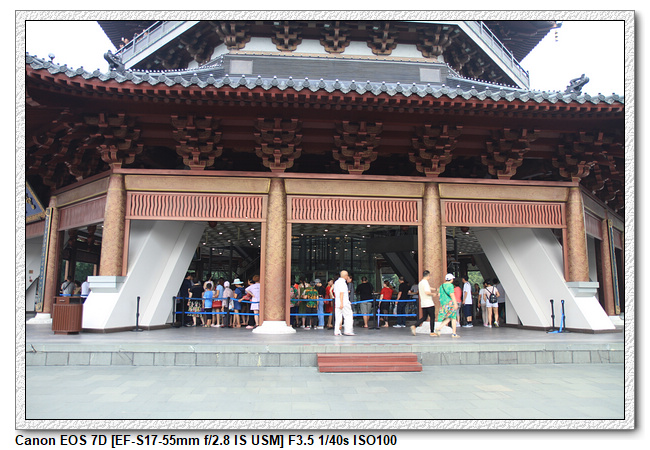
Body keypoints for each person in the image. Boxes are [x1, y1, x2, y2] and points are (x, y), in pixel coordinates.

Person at [410, 270, 437, 336]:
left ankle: (415, 325)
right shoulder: (426, 282)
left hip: (423, 303)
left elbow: (428, 288)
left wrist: (435, 289)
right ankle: (432, 331)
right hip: (429, 303)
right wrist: (433, 294)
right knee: (432, 317)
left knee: (424, 317)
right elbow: (427, 292)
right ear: (428, 275)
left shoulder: (421, 282)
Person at [435, 273, 460, 337]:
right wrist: (455, 303)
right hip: (450, 303)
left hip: (443, 304)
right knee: (453, 318)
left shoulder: (441, 286)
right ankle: (454, 333)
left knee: (449, 317)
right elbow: (452, 295)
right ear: (451, 279)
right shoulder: (450, 286)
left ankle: (439, 328)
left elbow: (439, 295)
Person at [333, 270, 354, 336]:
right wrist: (342, 303)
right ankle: (348, 330)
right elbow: (341, 293)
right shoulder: (343, 283)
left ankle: (337, 331)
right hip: (344, 302)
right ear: (345, 276)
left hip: (337, 302)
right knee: (348, 316)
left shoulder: (336, 282)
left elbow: (335, 292)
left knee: (338, 317)